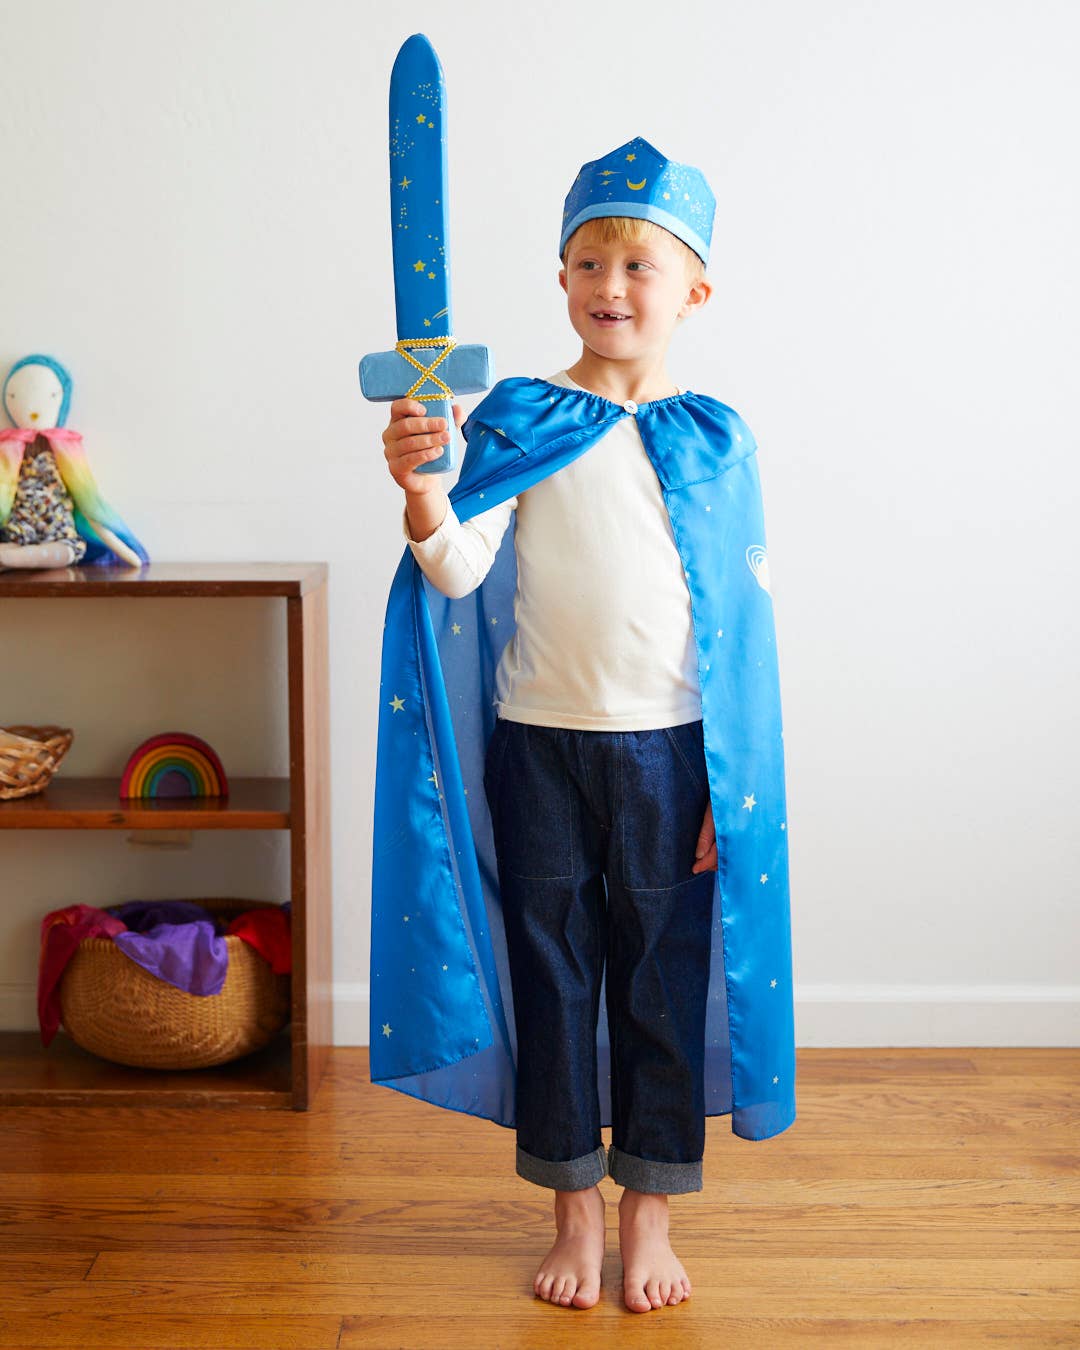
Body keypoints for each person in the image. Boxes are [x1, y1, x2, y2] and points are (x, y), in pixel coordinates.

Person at [374, 136, 796, 1315]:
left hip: (672, 756)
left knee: (662, 981)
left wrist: (726, 781)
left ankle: (649, 1215)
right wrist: (423, 491)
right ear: (561, 279)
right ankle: (572, 1210)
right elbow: (458, 573)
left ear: (693, 290)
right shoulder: (515, 420)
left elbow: (739, 640)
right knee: (554, 974)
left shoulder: (716, 440)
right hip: (540, 747)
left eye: (640, 265)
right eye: (589, 262)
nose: (612, 286)